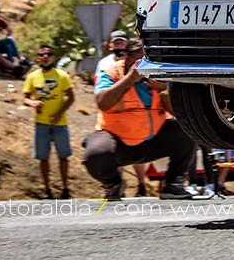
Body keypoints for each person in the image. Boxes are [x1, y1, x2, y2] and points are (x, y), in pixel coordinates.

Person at [82, 38, 195, 200]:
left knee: (187, 130)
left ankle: (173, 184)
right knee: (95, 153)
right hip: (119, 141)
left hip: (152, 141)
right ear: (127, 58)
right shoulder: (110, 72)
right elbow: (102, 103)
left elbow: (176, 112)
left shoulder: (158, 75)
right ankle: (113, 184)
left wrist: (163, 90)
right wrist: (130, 79)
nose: (146, 66)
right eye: (141, 61)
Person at [94, 30, 149, 197]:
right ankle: (117, 183)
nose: (118, 45)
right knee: (110, 150)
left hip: (143, 128)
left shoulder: (150, 68)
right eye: (116, 42)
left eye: (121, 42)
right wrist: (129, 79)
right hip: (115, 123)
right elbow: (101, 95)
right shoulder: (106, 65)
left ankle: (142, 184)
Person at [23, 45, 75, 199]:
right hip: (41, 123)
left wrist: (59, 114)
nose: (45, 57)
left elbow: (71, 97)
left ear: (53, 57)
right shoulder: (32, 77)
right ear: (38, 58)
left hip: (60, 123)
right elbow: (25, 98)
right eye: (42, 54)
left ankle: (65, 188)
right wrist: (32, 103)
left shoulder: (62, 75)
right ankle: (47, 190)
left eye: (49, 54)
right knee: (43, 158)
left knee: (63, 156)